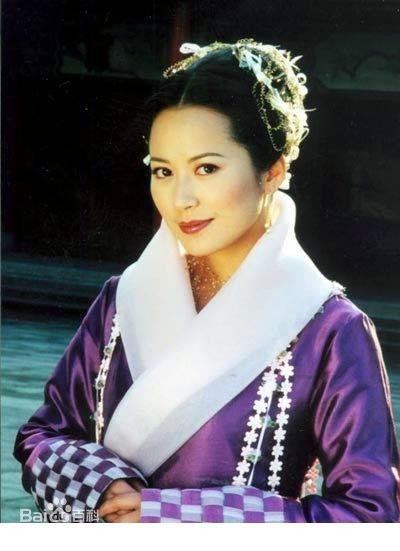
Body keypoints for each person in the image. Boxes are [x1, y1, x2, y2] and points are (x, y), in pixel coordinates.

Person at [13, 38, 400, 523]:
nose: (181, 199)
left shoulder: (330, 328)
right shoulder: (123, 299)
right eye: (163, 171)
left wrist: (170, 515)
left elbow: (370, 515)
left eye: (207, 168)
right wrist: (104, 486)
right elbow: (43, 435)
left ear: (272, 171)